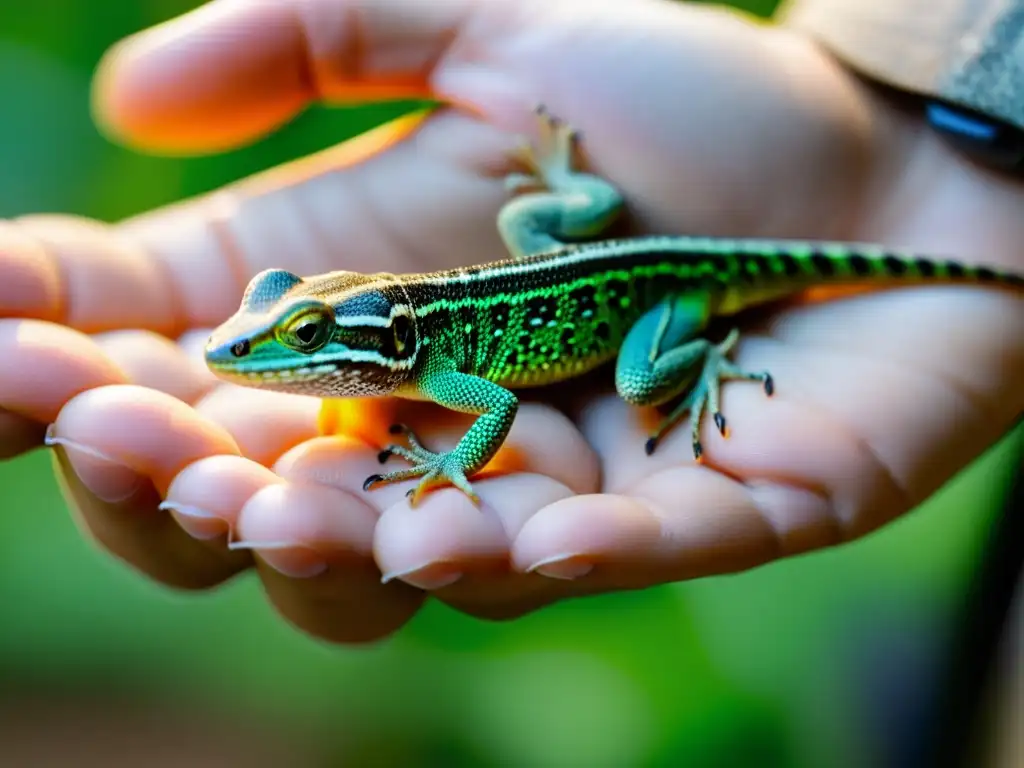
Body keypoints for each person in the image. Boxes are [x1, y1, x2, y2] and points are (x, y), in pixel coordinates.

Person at [0, 0, 1021, 644]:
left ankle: (704, 348)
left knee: (631, 382)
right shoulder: (410, 354)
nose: (250, 349)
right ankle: (579, 204)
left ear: (374, 340)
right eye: (283, 330)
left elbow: (490, 406)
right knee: (520, 219)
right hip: (623, 259)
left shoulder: (439, 372)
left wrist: (450, 469)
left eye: (306, 335)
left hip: (665, 290)